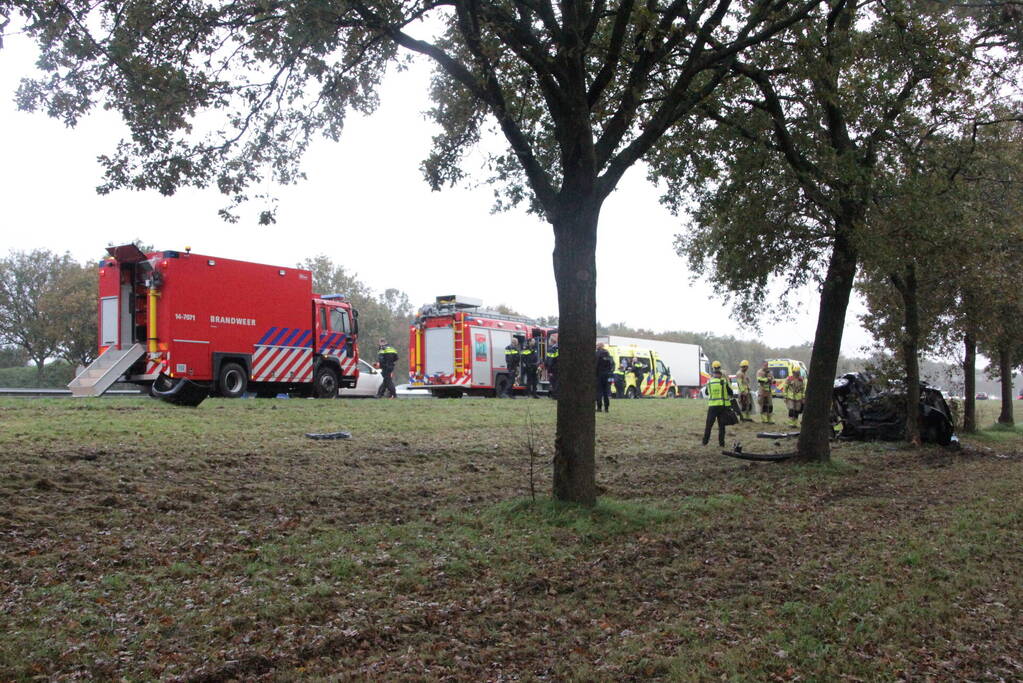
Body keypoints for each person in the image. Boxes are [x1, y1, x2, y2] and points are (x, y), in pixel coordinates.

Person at [702, 360, 735, 447]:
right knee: (721, 426)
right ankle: (721, 443)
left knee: (708, 425)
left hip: (712, 407)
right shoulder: (723, 381)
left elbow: (706, 393)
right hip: (722, 406)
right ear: (720, 374)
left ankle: (705, 442)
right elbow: (731, 392)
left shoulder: (709, 382)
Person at [595, 342, 614, 412]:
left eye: (597, 345)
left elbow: (595, 364)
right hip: (607, 375)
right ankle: (606, 408)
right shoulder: (608, 354)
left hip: (599, 374)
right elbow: (611, 364)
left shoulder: (597, 354)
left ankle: (599, 407)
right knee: (606, 392)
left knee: (599, 392)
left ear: (599, 346)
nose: (596, 346)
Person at [545, 333, 559, 399]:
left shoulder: (551, 349)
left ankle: (555, 396)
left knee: (553, 383)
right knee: (557, 382)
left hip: (553, 369)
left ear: (551, 341)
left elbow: (550, 361)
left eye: (549, 340)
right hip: (558, 369)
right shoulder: (558, 348)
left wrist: (549, 370)